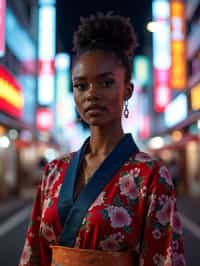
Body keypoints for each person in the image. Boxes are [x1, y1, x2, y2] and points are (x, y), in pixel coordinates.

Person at [19, 13, 185, 266]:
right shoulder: (54, 171)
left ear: (127, 89)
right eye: (81, 85)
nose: (92, 94)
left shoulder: (150, 175)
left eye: (106, 82)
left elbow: (164, 258)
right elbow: (33, 252)